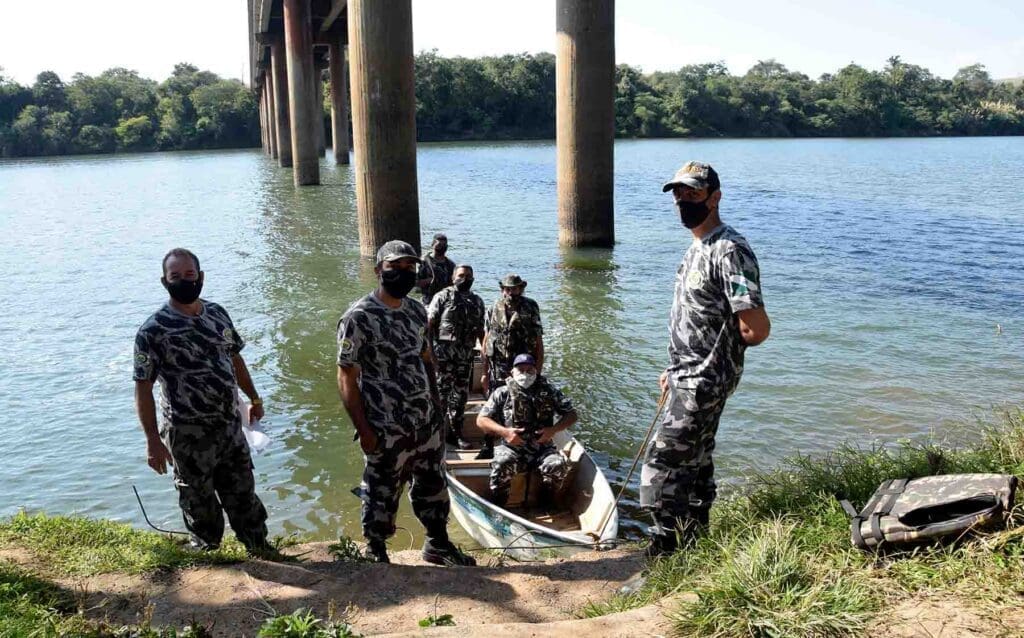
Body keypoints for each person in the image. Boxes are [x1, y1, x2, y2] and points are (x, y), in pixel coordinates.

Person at [640, 161, 771, 557]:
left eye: (693, 193)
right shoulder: (697, 248)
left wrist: (716, 363)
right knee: (696, 464)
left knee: (662, 466)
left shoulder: (729, 250)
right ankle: (694, 548)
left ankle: (664, 554)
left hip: (703, 380)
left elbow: (756, 328)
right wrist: (674, 369)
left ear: (714, 197)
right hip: (685, 375)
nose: (683, 201)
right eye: (679, 194)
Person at [336, 239, 476, 566]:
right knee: (382, 490)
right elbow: (346, 376)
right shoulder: (359, 317)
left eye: (409, 267)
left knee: (433, 486)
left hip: (424, 421)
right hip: (385, 426)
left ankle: (437, 544)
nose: (403, 273)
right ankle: (376, 550)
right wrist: (365, 429)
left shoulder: (416, 310)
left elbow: (426, 358)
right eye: (394, 267)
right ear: (378, 271)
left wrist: (437, 407)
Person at [133, 248, 271, 554]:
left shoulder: (217, 314)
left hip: (229, 426)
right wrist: (152, 440)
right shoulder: (153, 330)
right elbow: (142, 387)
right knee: (198, 498)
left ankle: (259, 549)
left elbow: (235, 359)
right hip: (187, 432)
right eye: (176, 276)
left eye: (189, 275)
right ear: (164, 281)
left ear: (201, 277)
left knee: (243, 493)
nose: (184, 281)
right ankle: (209, 554)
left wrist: (254, 396)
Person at [476, 354, 577, 509]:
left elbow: (572, 414)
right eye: (520, 369)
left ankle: (546, 501)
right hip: (511, 448)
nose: (525, 374)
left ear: (536, 371)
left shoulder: (549, 391)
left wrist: (553, 430)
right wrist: (505, 432)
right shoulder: (502, 392)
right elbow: (481, 420)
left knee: (557, 464)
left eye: (529, 370)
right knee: (502, 463)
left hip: (542, 448)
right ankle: (499, 505)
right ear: (512, 372)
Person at [478, 273, 545, 459]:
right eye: (508, 289)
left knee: (522, 404)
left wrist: (537, 372)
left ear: (521, 289)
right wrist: (484, 372)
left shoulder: (531, 307)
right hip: (498, 366)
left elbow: (538, 341)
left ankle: (522, 444)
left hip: (522, 367)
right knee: (494, 405)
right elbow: (486, 339)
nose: (511, 292)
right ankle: (488, 445)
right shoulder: (493, 308)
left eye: (515, 288)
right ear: (502, 290)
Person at [427, 264, 486, 449]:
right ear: (453, 278)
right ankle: (436, 436)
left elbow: (480, 332)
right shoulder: (442, 297)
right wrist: (432, 357)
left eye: (469, 275)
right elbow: (428, 327)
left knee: (460, 398)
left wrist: (486, 358)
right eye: (461, 275)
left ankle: (456, 434)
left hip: (465, 359)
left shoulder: (477, 301)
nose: (465, 278)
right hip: (443, 358)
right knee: (440, 398)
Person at [417, 233, 456, 306]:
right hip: (428, 301)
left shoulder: (450, 265)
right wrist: (430, 280)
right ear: (432, 245)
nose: (441, 248)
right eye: (439, 245)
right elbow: (414, 283)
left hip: (446, 301)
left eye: (444, 246)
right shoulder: (423, 262)